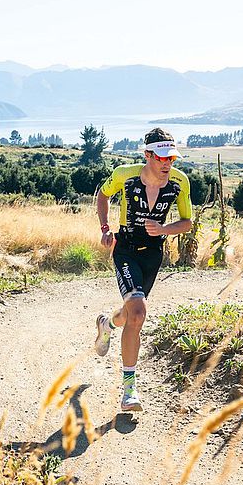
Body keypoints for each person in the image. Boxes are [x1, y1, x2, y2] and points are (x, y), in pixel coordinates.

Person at [93, 127, 193, 411]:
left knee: (130, 315)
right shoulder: (125, 175)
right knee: (138, 312)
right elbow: (102, 195)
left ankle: (106, 324)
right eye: (161, 158)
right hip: (125, 249)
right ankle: (128, 390)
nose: (167, 164)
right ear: (147, 155)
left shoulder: (179, 182)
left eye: (171, 158)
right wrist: (105, 228)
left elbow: (187, 222)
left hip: (152, 254)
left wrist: (164, 228)